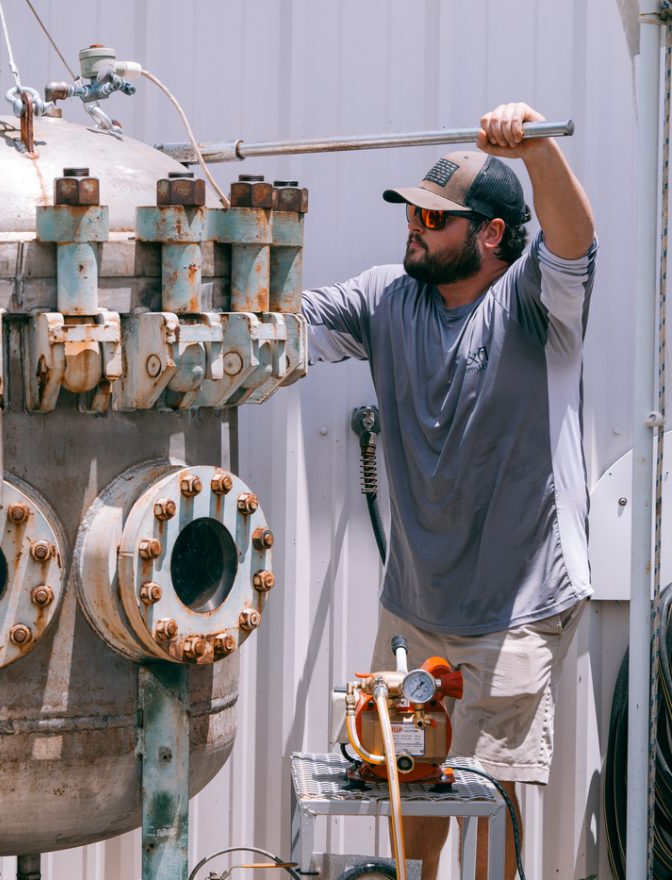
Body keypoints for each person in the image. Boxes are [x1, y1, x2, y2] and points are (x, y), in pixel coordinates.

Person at [300, 102, 597, 878]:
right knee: (411, 780)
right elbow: (281, 327)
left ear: (490, 233)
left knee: (492, 802)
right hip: (418, 607)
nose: (415, 229)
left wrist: (536, 153)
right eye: (413, 214)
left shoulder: (537, 306)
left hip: (517, 609)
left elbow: (575, 242)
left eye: (434, 218)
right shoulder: (386, 299)